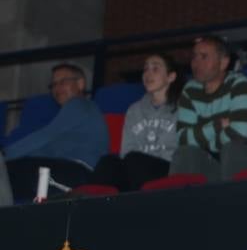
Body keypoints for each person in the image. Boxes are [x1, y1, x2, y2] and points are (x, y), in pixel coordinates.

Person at [4, 63, 110, 199]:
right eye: (53, 84)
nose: (57, 88)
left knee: (10, 171)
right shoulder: (72, 115)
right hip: (65, 169)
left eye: (63, 82)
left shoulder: (80, 105)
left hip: (78, 173)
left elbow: (44, 137)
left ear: (81, 84)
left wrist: (5, 155)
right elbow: (45, 147)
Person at [169, 35, 247, 180]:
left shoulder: (239, 84)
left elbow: (240, 134)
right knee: (185, 153)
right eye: (194, 57)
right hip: (216, 162)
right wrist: (218, 125)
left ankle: (237, 201)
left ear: (223, 63)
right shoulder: (190, 90)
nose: (196, 63)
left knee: (232, 149)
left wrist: (205, 141)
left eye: (204, 57)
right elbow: (182, 138)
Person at [91, 52, 182, 191]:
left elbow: (180, 149)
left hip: (168, 166)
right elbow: (126, 150)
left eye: (155, 69)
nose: (148, 74)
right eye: (145, 69)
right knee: (107, 162)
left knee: (135, 161)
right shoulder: (134, 109)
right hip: (136, 166)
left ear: (171, 76)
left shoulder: (183, 107)